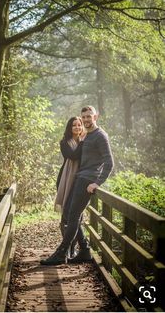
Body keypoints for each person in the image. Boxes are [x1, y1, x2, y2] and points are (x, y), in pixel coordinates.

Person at [41, 105, 114, 265]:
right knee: (68, 213)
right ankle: (85, 250)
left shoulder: (101, 136)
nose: (86, 119)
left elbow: (109, 162)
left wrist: (97, 182)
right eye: (84, 117)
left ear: (96, 116)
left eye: (89, 116)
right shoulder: (87, 135)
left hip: (88, 180)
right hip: (79, 178)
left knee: (73, 215)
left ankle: (61, 253)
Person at [54, 116, 85, 258]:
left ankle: (73, 249)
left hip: (80, 182)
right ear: (69, 128)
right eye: (74, 125)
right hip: (66, 181)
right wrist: (84, 143)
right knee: (67, 215)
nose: (77, 127)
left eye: (79, 125)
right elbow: (72, 156)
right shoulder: (65, 143)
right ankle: (67, 249)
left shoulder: (86, 141)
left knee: (78, 216)